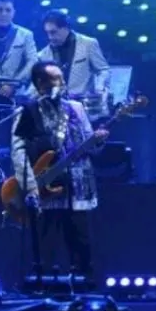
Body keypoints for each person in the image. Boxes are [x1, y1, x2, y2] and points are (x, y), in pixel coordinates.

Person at [11, 60, 109, 277]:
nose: (62, 83)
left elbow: (91, 147)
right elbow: (18, 152)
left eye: (62, 77)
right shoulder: (27, 112)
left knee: (81, 241)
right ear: (40, 83)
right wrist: (31, 186)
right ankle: (44, 283)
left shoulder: (76, 109)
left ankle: (85, 284)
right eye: (56, 78)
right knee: (45, 244)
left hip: (77, 185)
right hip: (45, 186)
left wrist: (98, 140)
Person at [36, 10, 110, 120]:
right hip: (59, 114)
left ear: (66, 28)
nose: (50, 37)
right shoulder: (43, 55)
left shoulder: (89, 44)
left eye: (53, 32)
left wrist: (99, 88)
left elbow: (103, 70)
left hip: (87, 111)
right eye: (47, 33)